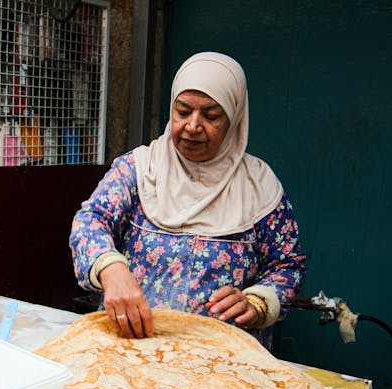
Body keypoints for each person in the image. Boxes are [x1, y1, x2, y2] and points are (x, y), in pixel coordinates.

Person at [69, 51, 306, 348]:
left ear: (233, 117)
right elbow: (92, 219)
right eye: (183, 111)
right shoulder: (140, 169)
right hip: (134, 348)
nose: (193, 126)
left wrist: (259, 303)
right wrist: (111, 269)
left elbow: (287, 265)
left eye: (210, 115)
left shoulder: (259, 186)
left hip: (221, 362)